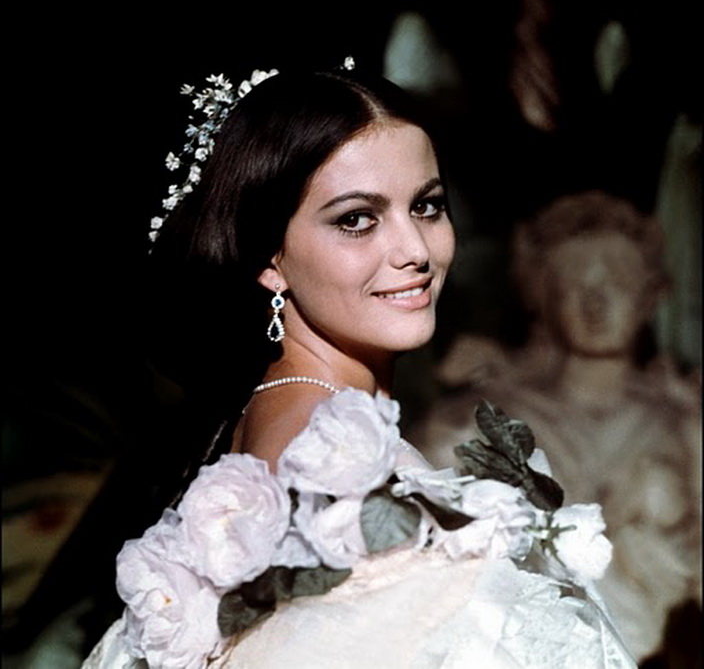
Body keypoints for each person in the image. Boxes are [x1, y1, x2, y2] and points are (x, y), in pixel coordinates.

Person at [82, 63, 636, 668]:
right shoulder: (324, 462)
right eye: (356, 220)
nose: (415, 250)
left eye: (426, 207)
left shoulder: (288, 417)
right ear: (269, 258)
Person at [414, 190, 701, 664]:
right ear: (542, 298)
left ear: (650, 293)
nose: (596, 302)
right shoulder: (483, 420)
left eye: (617, 281)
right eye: (573, 285)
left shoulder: (684, 420)